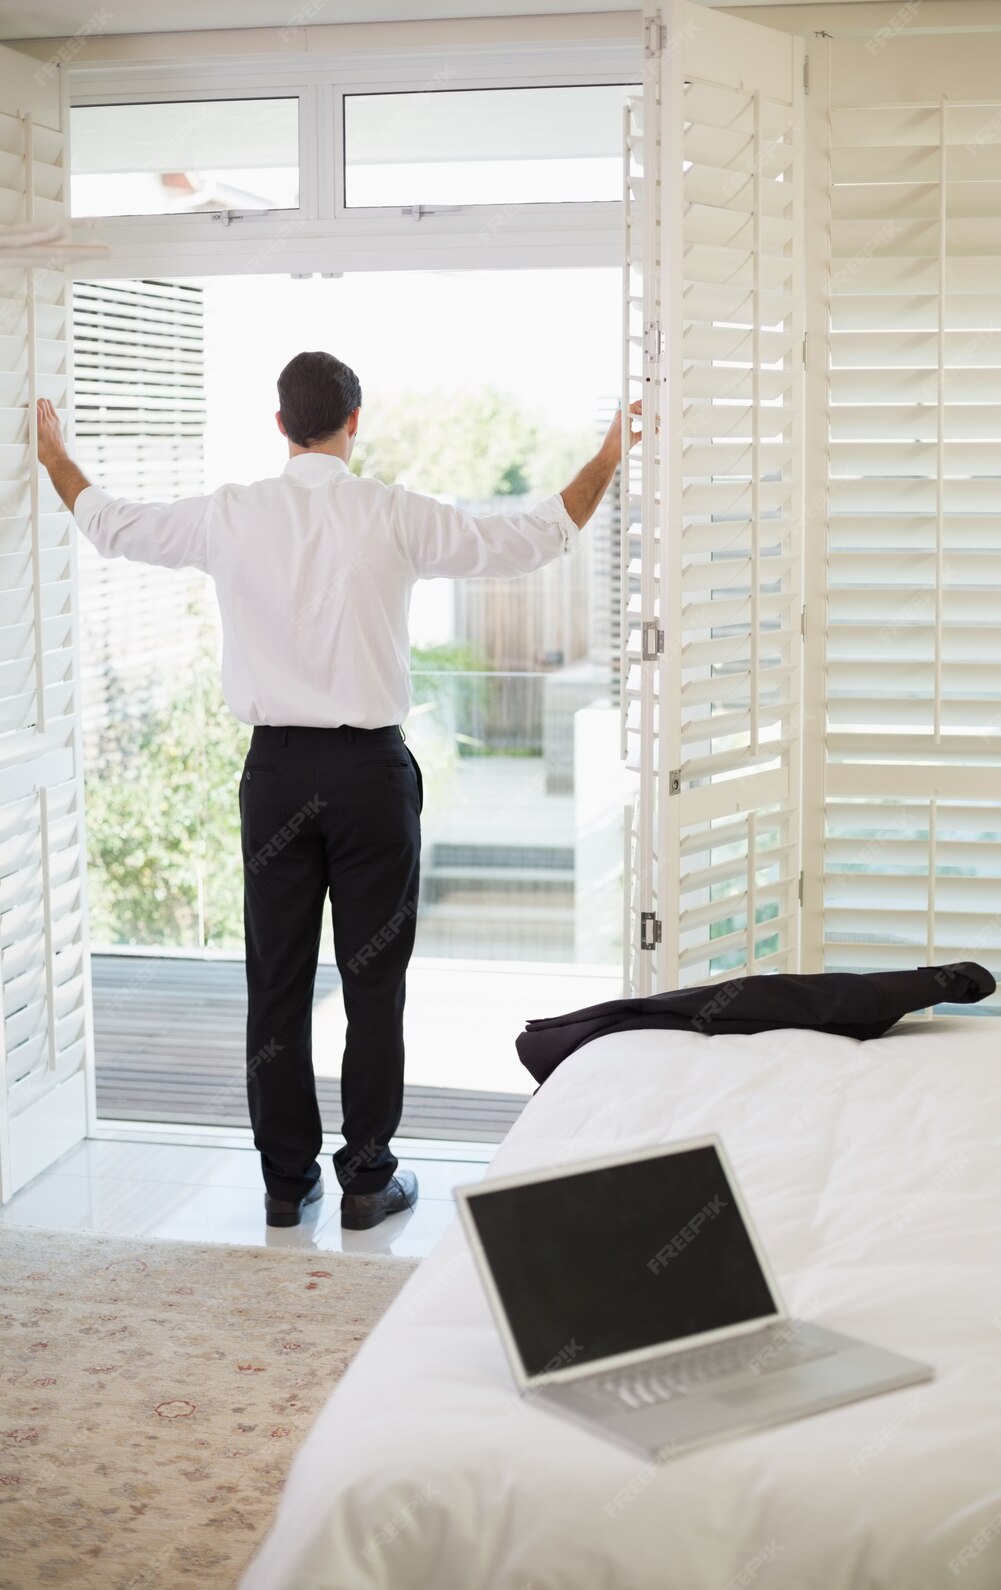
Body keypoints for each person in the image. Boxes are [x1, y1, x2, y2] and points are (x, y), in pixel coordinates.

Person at [35, 354, 642, 1231]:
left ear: (280, 425)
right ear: (355, 421)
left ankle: (286, 1183)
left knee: (276, 983)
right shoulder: (389, 512)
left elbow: (113, 526)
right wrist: (609, 455)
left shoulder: (231, 514)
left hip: (276, 778)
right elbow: (532, 537)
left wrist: (55, 456)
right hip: (369, 781)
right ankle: (366, 1181)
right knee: (373, 986)